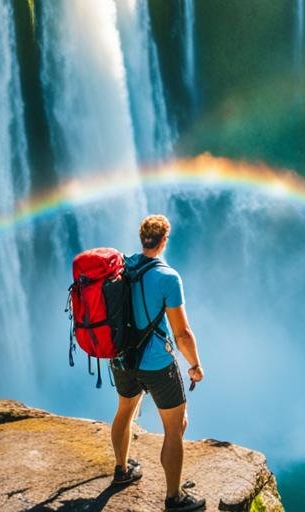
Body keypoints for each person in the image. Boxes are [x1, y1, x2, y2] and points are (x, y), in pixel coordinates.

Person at [109, 214, 206, 512]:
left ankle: (122, 471)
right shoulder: (168, 277)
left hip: (122, 358)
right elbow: (182, 333)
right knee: (175, 427)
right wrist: (195, 365)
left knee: (125, 410)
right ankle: (174, 497)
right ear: (164, 241)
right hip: (157, 364)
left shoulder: (122, 266)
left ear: (143, 239)